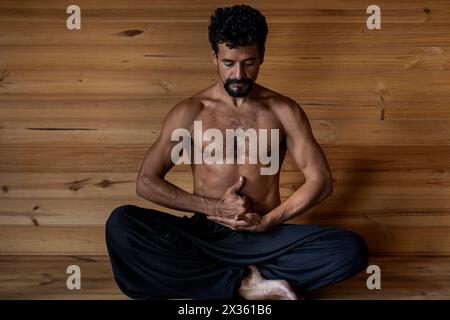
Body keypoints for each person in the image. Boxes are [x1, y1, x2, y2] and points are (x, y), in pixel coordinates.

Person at [105, 4, 369, 300]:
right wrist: (214, 208)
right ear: (214, 57)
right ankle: (246, 284)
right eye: (229, 63)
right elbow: (147, 182)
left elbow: (321, 181)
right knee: (122, 224)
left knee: (349, 249)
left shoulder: (282, 110)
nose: (239, 74)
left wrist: (268, 222)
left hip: (265, 234)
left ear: (262, 57)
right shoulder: (191, 112)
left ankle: (220, 279)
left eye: (249, 62)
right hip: (205, 233)